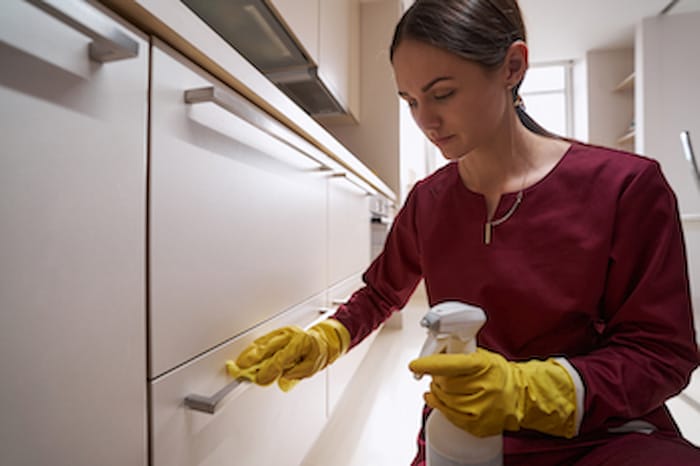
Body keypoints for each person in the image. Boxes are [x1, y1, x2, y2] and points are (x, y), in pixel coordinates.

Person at [227, 0, 700, 464]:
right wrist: (323, 339)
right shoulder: (428, 201)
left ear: (512, 67)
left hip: (601, 433)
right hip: (467, 431)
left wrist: (527, 391)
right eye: (410, 101)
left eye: (443, 93)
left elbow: (661, 353)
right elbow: (379, 294)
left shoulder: (626, 187)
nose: (425, 121)